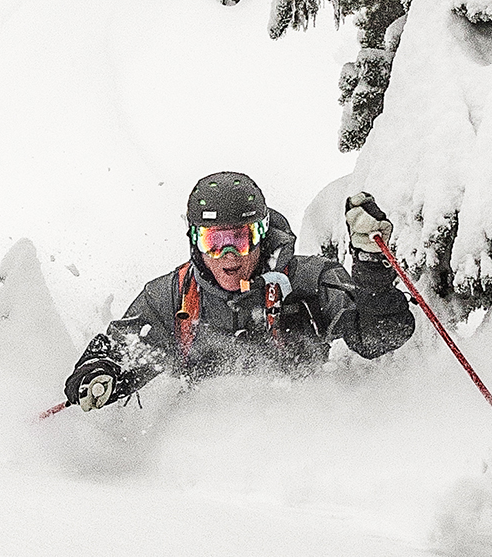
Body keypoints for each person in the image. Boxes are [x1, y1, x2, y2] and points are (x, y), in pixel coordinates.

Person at [64, 172, 413, 410]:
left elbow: (379, 338)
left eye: (240, 239)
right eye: (214, 242)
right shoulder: (173, 297)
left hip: (302, 442)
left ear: (261, 235)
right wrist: (99, 370)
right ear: (195, 243)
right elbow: (127, 350)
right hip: (202, 464)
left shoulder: (309, 280)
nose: (228, 255)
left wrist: (371, 267)